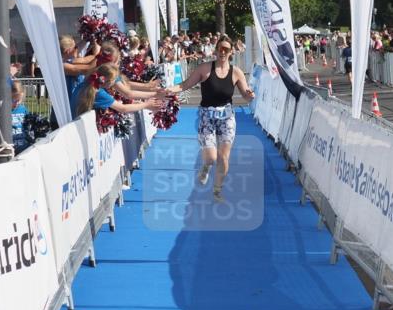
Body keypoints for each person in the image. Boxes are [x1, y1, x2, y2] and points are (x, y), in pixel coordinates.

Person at [175, 36, 255, 203]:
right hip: (207, 116)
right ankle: (205, 166)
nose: (223, 52)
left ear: (231, 52)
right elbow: (184, 85)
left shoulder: (236, 72)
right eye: (220, 49)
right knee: (211, 158)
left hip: (227, 117)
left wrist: (250, 95)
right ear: (216, 50)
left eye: (226, 49)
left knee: (223, 157)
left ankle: (217, 191)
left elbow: (246, 96)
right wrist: (168, 90)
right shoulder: (205, 68)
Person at [72, 63, 160, 118]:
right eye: (115, 80)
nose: (115, 83)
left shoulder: (87, 82)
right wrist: (146, 104)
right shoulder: (99, 93)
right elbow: (123, 109)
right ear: (108, 81)